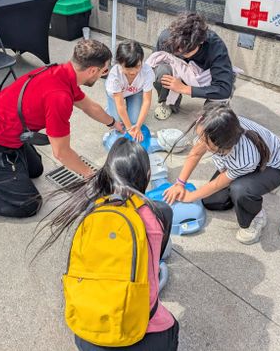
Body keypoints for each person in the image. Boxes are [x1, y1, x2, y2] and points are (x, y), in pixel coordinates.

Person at [0, 39, 124, 218]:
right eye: (104, 71)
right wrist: (94, 177)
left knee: (35, 168)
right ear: (92, 70)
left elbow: (90, 106)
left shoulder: (62, 72)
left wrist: (114, 123)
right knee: (27, 204)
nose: (103, 75)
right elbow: (62, 153)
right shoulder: (59, 97)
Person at [35, 137, 179, 351]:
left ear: (107, 174)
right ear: (148, 176)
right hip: (138, 333)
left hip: (86, 333)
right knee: (171, 327)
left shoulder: (92, 209)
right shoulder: (154, 214)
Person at [163, 104, 280, 245]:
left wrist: (190, 196)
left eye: (205, 141)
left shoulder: (244, 157)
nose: (200, 142)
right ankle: (257, 187)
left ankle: (256, 216)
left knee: (240, 190)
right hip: (252, 160)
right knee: (212, 201)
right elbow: (195, 153)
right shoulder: (221, 126)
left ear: (223, 145)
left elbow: (220, 182)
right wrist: (180, 183)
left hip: (274, 167)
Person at [147, 12, 234, 120]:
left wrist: (184, 88)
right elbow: (155, 61)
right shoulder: (166, 37)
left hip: (205, 77)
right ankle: (169, 103)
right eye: (177, 49)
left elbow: (223, 88)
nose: (181, 53)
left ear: (201, 42)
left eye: (186, 51)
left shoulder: (216, 47)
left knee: (213, 120)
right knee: (161, 71)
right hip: (180, 71)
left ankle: (212, 109)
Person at [105, 40, 154, 142]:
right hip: (116, 95)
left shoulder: (147, 71)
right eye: (128, 68)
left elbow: (147, 101)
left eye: (137, 66)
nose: (133, 72)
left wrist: (137, 126)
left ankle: (127, 108)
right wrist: (129, 128)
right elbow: (120, 105)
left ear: (142, 61)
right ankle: (109, 109)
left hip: (135, 92)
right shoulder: (115, 75)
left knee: (134, 121)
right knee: (117, 122)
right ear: (119, 64)